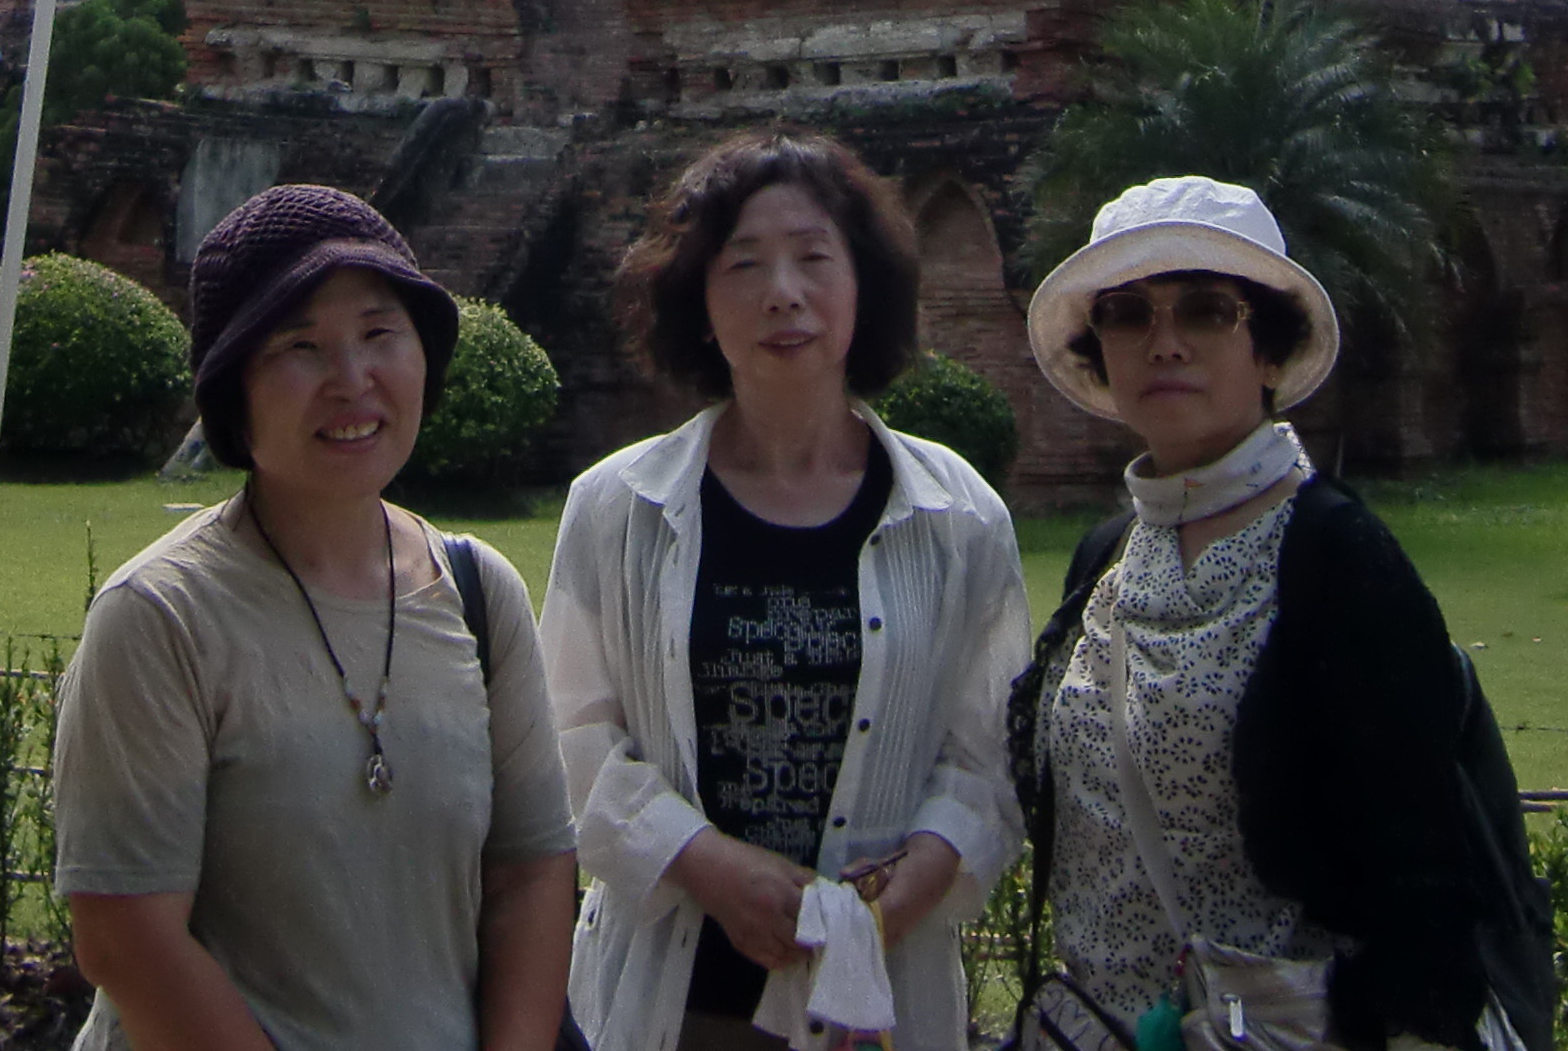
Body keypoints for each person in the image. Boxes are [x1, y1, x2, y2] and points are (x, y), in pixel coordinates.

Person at [55, 185, 579, 1051]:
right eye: (301, 346)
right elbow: (125, 936)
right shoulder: (161, 617)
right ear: (235, 396)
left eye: (380, 335)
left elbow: (532, 868)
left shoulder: (479, 592)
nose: (352, 381)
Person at [543, 134, 1030, 1051]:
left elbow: (987, 753)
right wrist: (707, 865)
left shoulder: (960, 516)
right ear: (698, 297)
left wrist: (919, 877)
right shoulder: (616, 509)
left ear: (864, 286)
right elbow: (570, 740)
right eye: (745, 264)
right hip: (673, 996)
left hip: (881, 998)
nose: (783, 292)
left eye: (814, 259)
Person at [1010, 177, 1502, 1051]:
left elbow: (1423, 869)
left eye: (1206, 312)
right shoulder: (1108, 557)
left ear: (1269, 352)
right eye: (1128, 314)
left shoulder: (1335, 558)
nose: (1164, 344)